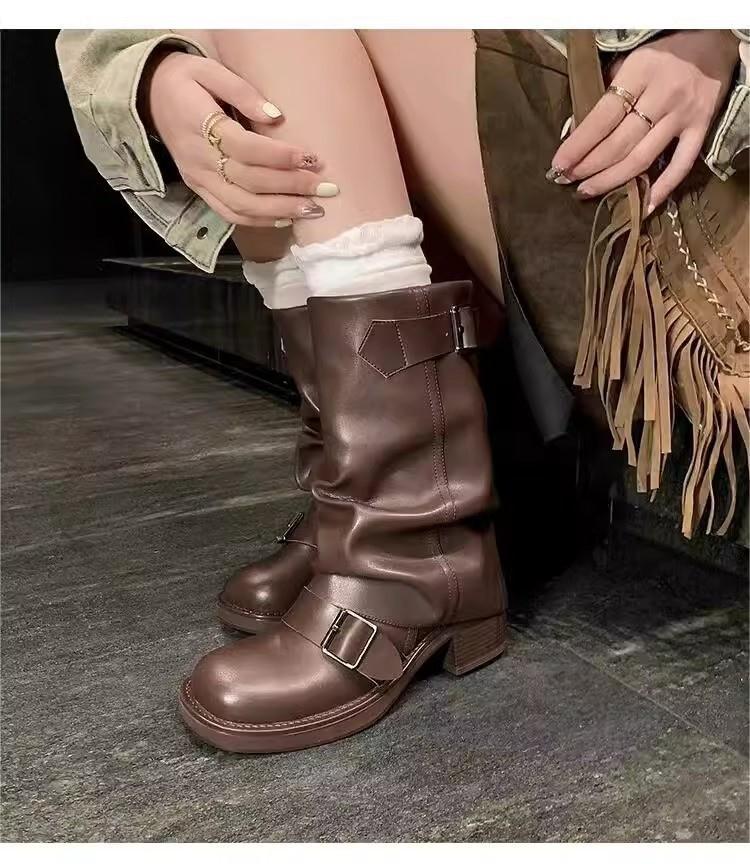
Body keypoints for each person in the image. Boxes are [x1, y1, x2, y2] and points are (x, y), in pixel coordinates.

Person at [56, 29, 749, 752]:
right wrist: (153, 76)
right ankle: (382, 513)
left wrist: (716, 35)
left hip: (681, 225)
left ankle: (406, 548)